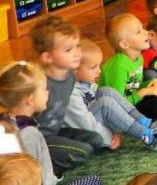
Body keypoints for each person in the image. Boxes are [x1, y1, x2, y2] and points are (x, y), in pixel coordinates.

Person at [0, 61, 102, 185]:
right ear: (30, 100)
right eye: (45, 89)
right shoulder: (29, 134)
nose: (47, 93)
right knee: (94, 184)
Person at [66, 37, 157, 150]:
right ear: (75, 70)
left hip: (95, 123)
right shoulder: (71, 94)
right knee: (105, 103)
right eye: (93, 67)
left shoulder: (88, 84)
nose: (99, 71)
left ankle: (146, 123)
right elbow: (86, 124)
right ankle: (148, 136)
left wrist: (117, 130)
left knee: (106, 90)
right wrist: (111, 138)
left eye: (98, 66)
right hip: (85, 135)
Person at [29, 16, 103, 173]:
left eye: (77, 46)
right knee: (83, 152)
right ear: (48, 57)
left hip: (56, 132)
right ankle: (42, 170)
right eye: (68, 50)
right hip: (38, 140)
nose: (77, 53)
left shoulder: (70, 75)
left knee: (96, 140)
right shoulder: (39, 82)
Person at [99, 13, 157, 139]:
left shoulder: (138, 58)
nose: (146, 32)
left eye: (142, 28)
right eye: (138, 32)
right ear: (125, 44)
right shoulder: (118, 66)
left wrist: (150, 83)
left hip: (134, 99)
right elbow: (118, 104)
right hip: (125, 110)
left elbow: (133, 85)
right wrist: (145, 91)